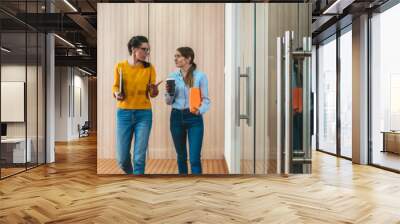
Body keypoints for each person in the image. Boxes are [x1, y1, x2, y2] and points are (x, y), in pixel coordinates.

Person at [112, 35, 160, 175]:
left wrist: (154, 90)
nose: (147, 53)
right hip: (124, 113)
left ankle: (137, 184)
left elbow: (153, 94)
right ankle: (132, 175)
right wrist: (116, 94)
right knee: (122, 159)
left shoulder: (150, 68)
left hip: (144, 114)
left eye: (148, 50)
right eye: (144, 49)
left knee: (139, 157)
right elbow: (115, 87)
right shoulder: (120, 66)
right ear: (133, 49)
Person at [165, 47, 210, 174]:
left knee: (195, 159)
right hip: (176, 117)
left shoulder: (200, 76)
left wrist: (199, 110)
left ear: (188, 58)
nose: (175, 59)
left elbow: (206, 100)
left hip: (194, 118)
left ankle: (197, 188)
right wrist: (169, 92)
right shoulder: (172, 76)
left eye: (178, 56)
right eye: (175, 56)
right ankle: (183, 187)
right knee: (181, 157)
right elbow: (168, 102)